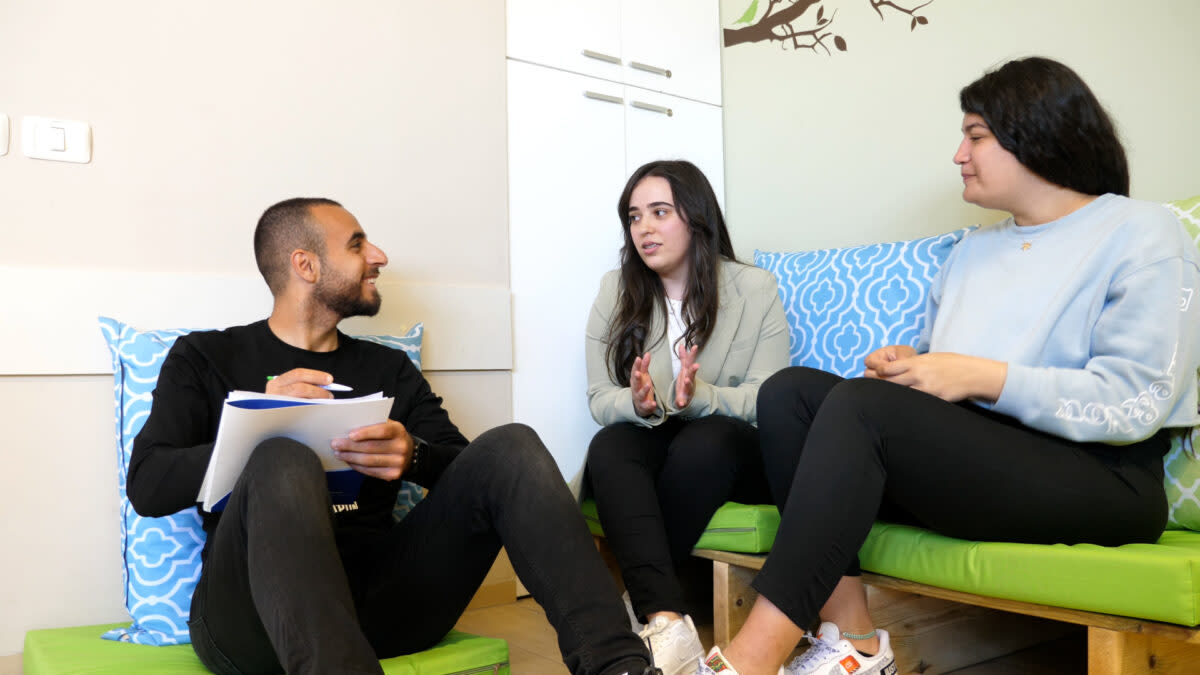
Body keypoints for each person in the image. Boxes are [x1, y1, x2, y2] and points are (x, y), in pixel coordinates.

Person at [697, 57, 1200, 675]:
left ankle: (751, 659)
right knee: (790, 392)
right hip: (986, 464)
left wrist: (977, 375)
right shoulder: (970, 249)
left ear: (1037, 134)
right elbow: (949, 375)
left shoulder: (1142, 231)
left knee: (858, 407)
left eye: (976, 136)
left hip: (1101, 477)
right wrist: (914, 367)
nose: (959, 154)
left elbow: (1136, 398)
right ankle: (852, 641)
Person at [127, 197, 661, 675]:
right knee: (281, 455)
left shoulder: (388, 367)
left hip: (381, 605)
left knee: (512, 446)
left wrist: (414, 456)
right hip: (251, 621)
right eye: (357, 244)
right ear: (305, 265)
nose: (379, 255)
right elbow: (148, 485)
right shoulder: (205, 358)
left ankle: (619, 667)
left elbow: (469, 470)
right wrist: (259, 424)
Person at [585, 160, 790, 675]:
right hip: (653, 432)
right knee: (610, 446)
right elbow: (597, 397)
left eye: (659, 212)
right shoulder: (618, 288)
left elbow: (771, 398)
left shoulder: (754, 288)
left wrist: (701, 397)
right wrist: (636, 403)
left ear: (697, 218)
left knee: (707, 441)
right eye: (634, 217)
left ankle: (645, 600)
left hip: (729, 443)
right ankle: (669, 624)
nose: (644, 229)